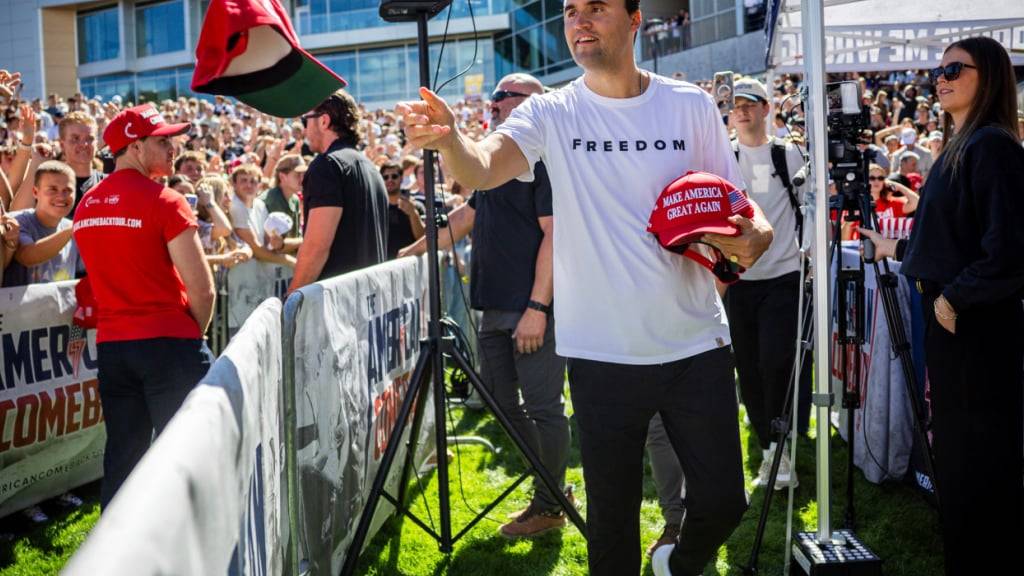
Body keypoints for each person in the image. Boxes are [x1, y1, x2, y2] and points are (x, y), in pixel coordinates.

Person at [397, 1, 773, 574]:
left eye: (596, 7)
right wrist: (450, 142)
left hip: (695, 343)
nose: (579, 21)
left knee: (725, 502)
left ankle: (678, 561)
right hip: (602, 355)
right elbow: (481, 166)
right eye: (571, 10)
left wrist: (757, 237)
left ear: (635, 18)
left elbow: (742, 210)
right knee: (612, 534)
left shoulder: (689, 105)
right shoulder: (552, 111)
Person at [860, 37, 1023, 576]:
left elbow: (1010, 251)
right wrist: (895, 249)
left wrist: (955, 296)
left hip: (977, 331)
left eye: (956, 67)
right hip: (955, 328)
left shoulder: (992, 147)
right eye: (938, 67)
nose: (941, 75)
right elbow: (952, 241)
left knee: (977, 466)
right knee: (958, 460)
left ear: (990, 75)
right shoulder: (965, 144)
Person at [400, 73, 573, 539]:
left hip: (531, 307)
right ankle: (553, 491)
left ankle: (551, 501)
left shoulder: (545, 161)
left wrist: (538, 305)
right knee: (499, 403)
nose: (492, 104)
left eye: (502, 96)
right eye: (493, 97)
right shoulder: (496, 160)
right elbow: (466, 216)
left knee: (543, 407)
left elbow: (555, 237)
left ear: (534, 103)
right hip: (493, 307)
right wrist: (412, 252)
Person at [72, 104, 217, 508]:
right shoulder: (166, 200)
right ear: (134, 147)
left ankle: (114, 555)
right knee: (190, 457)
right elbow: (203, 290)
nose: (173, 149)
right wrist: (193, 336)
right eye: (163, 141)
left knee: (124, 457)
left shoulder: (86, 205)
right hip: (170, 344)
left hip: (115, 349)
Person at [287, 90, 388, 292]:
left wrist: (293, 297)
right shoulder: (371, 168)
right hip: (370, 300)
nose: (304, 130)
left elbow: (317, 247)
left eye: (305, 120)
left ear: (324, 121)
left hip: (339, 304)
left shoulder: (327, 165)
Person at [4, 160, 84, 287]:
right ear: (35, 192)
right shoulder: (17, 221)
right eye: (53, 189)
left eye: (67, 190)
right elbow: (28, 256)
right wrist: (73, 230)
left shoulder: (74, 228)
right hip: (20, 307)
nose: (61, 196)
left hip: (62, 307)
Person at [379, 160, 424, 259]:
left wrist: (413, 214)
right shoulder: (377, 208)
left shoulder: (416, 206)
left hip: (410, 263)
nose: (390, 180)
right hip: (384, 265)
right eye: (385, 177)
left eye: (394, 176)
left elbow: (422, 238)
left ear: (401, 178)